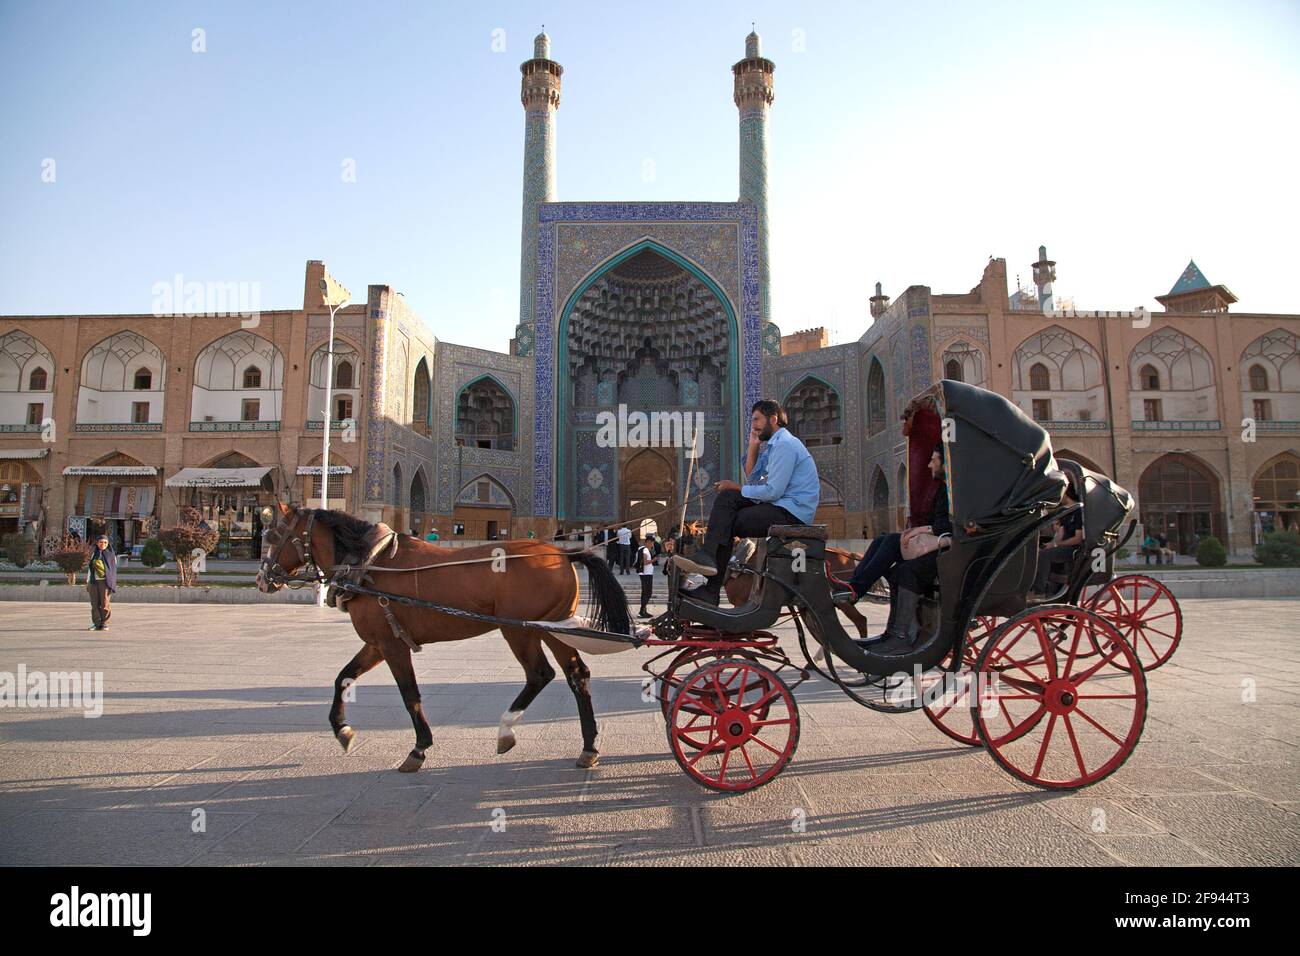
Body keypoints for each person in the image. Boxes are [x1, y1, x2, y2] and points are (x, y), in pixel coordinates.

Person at [671, 399, 819, 606]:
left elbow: (772, 491)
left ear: (773, 419)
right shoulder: (774, 446)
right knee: (727, 499)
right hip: (780, 506)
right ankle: (708, 562)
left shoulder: (786, 445)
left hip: (790, 512)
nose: (754, 425)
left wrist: (734, 486)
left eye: (757, 420)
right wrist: (752, 447)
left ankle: (711, 584)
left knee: (728, 517)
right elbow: (753, 480)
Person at [861, 446, 952, 646]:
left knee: (906, 570)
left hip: (952, 553)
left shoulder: (955, 492)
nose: (929, 464)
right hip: (942, 547)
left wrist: (922, 530)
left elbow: (949, 526)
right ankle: (890, 631)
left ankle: (900, 636)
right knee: (885, 545)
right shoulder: (944, 491)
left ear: (946, 464)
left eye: (934, 460)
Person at [1030, 489, 1084, 600]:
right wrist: (1051, 544)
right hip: (1065, 546)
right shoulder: (1066, 511)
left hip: (1074, 549)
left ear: (1067, 494)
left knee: (1043, 555)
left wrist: (1058, 543)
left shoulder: (1079, 511)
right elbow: (1061, 533)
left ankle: (1039, 591)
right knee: (1039, 552)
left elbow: (1078, 538)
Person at [86, 532, 117, 632]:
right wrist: (88, 582)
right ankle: (96, 623)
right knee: (94, 604)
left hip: (105, 582)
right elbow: (90, 569)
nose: (102, 544)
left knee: (105, 603)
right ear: (97, 543)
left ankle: (104, 623)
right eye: (100, 542)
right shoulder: (94, 555)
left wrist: (111, 583)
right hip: (93, 582)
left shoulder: (111, 556)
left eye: (105, 542)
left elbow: (112, 571)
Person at [636, 533, 657, 618]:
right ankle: (642, 611)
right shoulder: (644, 550)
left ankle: (644, 610)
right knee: (648, 592)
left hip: (646, 573)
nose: (652, 544)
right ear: (647, 542)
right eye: (651, 542)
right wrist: (653, 560)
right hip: (646, 573)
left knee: (645, 593)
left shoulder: (642, 549)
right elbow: (645, 562)